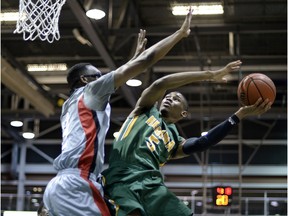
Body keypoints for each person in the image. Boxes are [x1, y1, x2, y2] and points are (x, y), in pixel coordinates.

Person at [42, 9, 194, 216]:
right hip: (77, 184)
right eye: (98, 76)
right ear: (86, 80)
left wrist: (132, 59)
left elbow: (126, 71)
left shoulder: (69, 104)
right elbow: (145, 62)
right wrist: (179, 34)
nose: (103, 78)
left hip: (60, 185)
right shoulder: (92, 90)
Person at [102, 60, 272, 216]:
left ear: (183, 113)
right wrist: (211, 75)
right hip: (123, 176)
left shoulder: (175, 141)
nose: (169, 98)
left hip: (152, 184)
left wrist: (238, 115)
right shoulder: (145, 110)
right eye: (169, 96)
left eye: (176, 99)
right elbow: (162, 84)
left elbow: (202, 142)